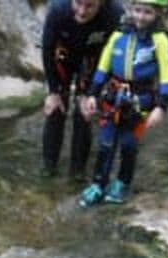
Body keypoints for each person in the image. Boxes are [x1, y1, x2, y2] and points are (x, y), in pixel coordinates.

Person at [79, 0, 168, 206]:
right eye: (137, 10)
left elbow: (167, 76)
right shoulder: (118, 34)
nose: (140, 17)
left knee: (129, 145)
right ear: (130, 9)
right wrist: (92, 95)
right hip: (112, 98)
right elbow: (103, 66)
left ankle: (122, 182)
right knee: (105, 143)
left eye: (147, 12)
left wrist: (161, 107)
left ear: (158, 14)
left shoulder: (160, 40)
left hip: (140, 102)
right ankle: (98, 184)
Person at [41, 0, 124, 180]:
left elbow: (110, 56)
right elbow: (47, 49)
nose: (82, 11)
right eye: (78, 3)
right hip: (63, 54)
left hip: (93, 59)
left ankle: (77, 171)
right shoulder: (58, 9)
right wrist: (53, 91)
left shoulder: (114, 14)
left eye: (89, 6)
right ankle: (48, 168)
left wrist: (91, 94)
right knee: (56, 108)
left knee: (84, 111)